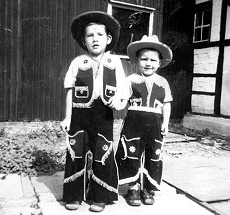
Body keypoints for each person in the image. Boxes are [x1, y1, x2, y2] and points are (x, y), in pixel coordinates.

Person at [60, 11, 127, 212]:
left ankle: (100, 196)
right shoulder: (78, 63)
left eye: (100, 35)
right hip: (79, 116)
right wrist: (67, 117)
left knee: (103, 153)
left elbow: (123, 90)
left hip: (103, 115)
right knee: (76, 153)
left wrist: (119, 100)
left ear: (108, 39)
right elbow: (70, 92)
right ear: (84, 40)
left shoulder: (114, 63)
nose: (95, 39)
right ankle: (73, 195)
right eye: (90, 35)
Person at [116, 35, 173, 206]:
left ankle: (147, 188)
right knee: (131, 153)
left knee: (152, 154)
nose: (148, 63)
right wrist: (115, 103)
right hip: (134, 122)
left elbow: (166, 104)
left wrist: (165, 123)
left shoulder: (163, 82)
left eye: (153, 60)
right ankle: (133, 187)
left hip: (155, 123)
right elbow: (123, 100)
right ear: (136, 61)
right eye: (144, 59)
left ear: (160, 63)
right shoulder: (130, 80)